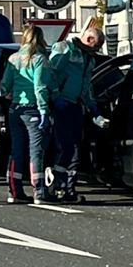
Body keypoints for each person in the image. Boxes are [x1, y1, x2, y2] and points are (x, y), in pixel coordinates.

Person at [38, 30, 96, 203]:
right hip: (62, 105)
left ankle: (67, 187)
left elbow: (86, 84)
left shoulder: (88, 58)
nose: (97, 49)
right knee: (65, 147)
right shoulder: (65, 50)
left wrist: (91, 105)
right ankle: (61, 186)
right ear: (89, 39)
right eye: (97, 45)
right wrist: (56, 97)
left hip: (75, 105)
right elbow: (51, 74)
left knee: (74, 148)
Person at [0, 25, 47, 204]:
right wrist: (44, 110)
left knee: (16, 150)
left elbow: (4, 86)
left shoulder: (13, 58)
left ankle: (14, 190)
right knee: (36, 150)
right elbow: (39, 86)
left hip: (15, 109)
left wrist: (8, 95)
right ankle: (39, 190)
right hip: (33, 109)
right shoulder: (39, 59)